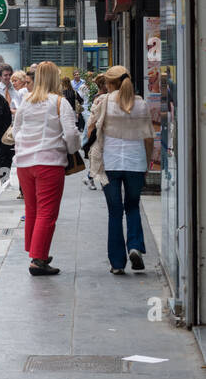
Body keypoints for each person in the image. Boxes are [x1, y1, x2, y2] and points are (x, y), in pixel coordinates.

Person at [11, 61, 81, 276]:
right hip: (49, 162)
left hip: (24, 163)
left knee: (32, 210)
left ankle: (35, 250)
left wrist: (25, 147)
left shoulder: (26, 101)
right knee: (47, 212)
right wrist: (71, 149)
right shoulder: (59, 102)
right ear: (55, 79)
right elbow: (71, 134)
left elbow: (15, 131)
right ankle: (38, 259)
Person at [88, 66, 154, 274]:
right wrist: (147, 161)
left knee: (114, 212)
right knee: (133, 206)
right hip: (136, 162)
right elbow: (149, 137)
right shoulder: (141, 104)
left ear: (109, 83)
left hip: (110, 163)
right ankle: (135, 247)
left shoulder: (103, 102)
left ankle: (117, 263)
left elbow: (90, 128)